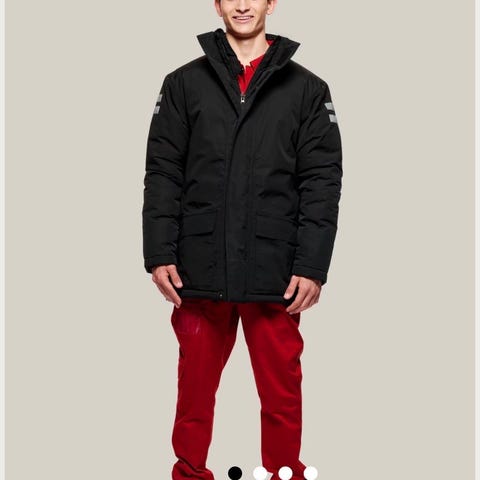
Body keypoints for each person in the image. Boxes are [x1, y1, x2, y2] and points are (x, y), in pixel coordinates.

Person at [142, 1, 343, 479]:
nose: (243, 4)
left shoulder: (308, 89)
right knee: (194, 388)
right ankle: (190, 473)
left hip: (275, 270)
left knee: (281, 390)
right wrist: (159, 252)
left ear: (272, 2)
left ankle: (282, 472)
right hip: (198, 265)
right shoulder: (183, 84)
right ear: (217, 4)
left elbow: (321, 181)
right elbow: (163, 172)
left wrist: (312, 265)